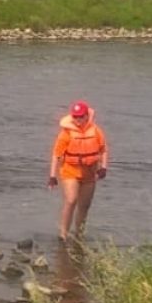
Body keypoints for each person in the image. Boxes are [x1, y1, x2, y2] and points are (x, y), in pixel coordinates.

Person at [48, 101, 109, 242]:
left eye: (81, 116)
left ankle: (79, 235)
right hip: (70, 171)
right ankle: (63, 235)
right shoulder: (66, 134)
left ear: (87, 116)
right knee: (71, 200)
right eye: (75, 117)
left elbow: (104, 150)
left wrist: (104, 168)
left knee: (84, 206)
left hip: (90, 172)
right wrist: (52, 177)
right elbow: (56, 155)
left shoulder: (96, 131)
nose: (77, 120)